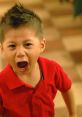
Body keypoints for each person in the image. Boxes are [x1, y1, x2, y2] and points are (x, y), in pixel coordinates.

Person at [0, 3, 77, 117]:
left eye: (27, 44)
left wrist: (73, 114)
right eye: (12, 46)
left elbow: (67, 88)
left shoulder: (53, 69)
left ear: (41, 45)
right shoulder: (2, 83)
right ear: (2, 49)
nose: (20, 53)